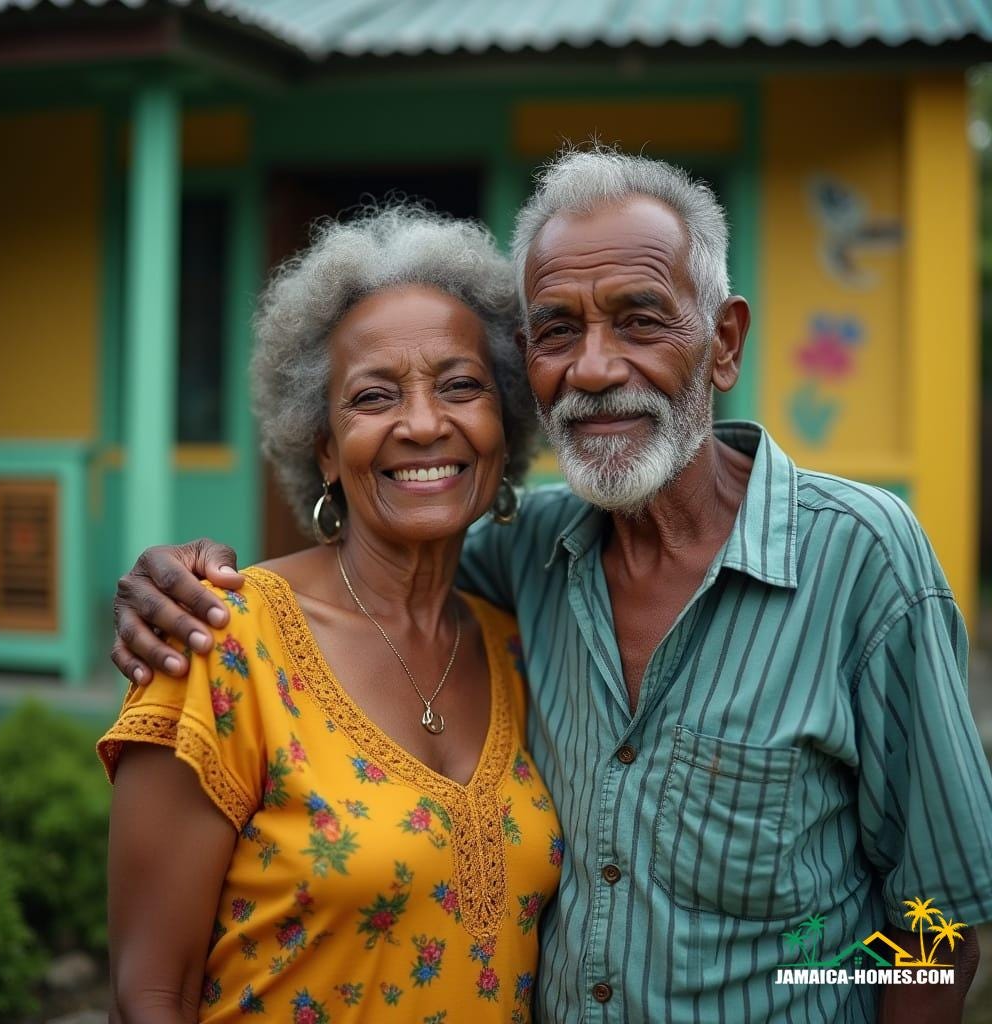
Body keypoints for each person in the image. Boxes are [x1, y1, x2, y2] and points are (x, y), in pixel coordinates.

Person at [111, 150, 992, 1023]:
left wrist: (797, 991)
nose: (596, 369)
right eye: (559, 330)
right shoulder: (517, 558)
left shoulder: (863, 561)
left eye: (641, 319)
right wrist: (177, 572)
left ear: (723, 343)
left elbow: (938, 926)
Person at [98, 206, 561, 1023]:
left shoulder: (519, 650)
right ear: (323, 446)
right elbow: (149, 996)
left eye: (461, 386)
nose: (423, 424)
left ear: (505, 425)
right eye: (375, 396)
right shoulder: (219, 641)